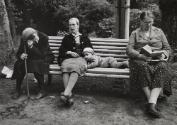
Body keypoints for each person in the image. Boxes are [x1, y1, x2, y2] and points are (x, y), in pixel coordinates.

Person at [126, 11, 172, 118]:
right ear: (141, 21)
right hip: (140, 59)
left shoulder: (159, 31)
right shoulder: (135, 33)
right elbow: (129, 49)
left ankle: (150, 104)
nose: (149, 25)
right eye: (146, 22)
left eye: (151, 22)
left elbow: (167, 48)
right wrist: (139, 55)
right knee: (142, 66)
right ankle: (152, 104)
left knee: (162, 67)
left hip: (156, 59)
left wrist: (164, 55)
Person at [58, 18, 93, 106]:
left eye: (73, 25)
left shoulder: (84, 37)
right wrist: (69, 52)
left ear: (78, 25)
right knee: (65, 68)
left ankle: (65, 94)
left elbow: (90, 49)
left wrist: (87, 53)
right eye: (70, 25)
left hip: (80, 59)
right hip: (68, 59)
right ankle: (68, 95)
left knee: (75, 68)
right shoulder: (66, 38)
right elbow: (61, 50)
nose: (71, 27)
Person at [12, 27, 54, 99]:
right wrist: (21, 55)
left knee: (36, 63)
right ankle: (18, 89)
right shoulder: (25, 38)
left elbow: (42, 55)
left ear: (34, 35)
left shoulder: (44, 37)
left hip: (45, 57)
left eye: (33, 38)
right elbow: (19, 52)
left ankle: (42, 90)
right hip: (32, 58)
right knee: (18, 64)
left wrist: (31, 46)